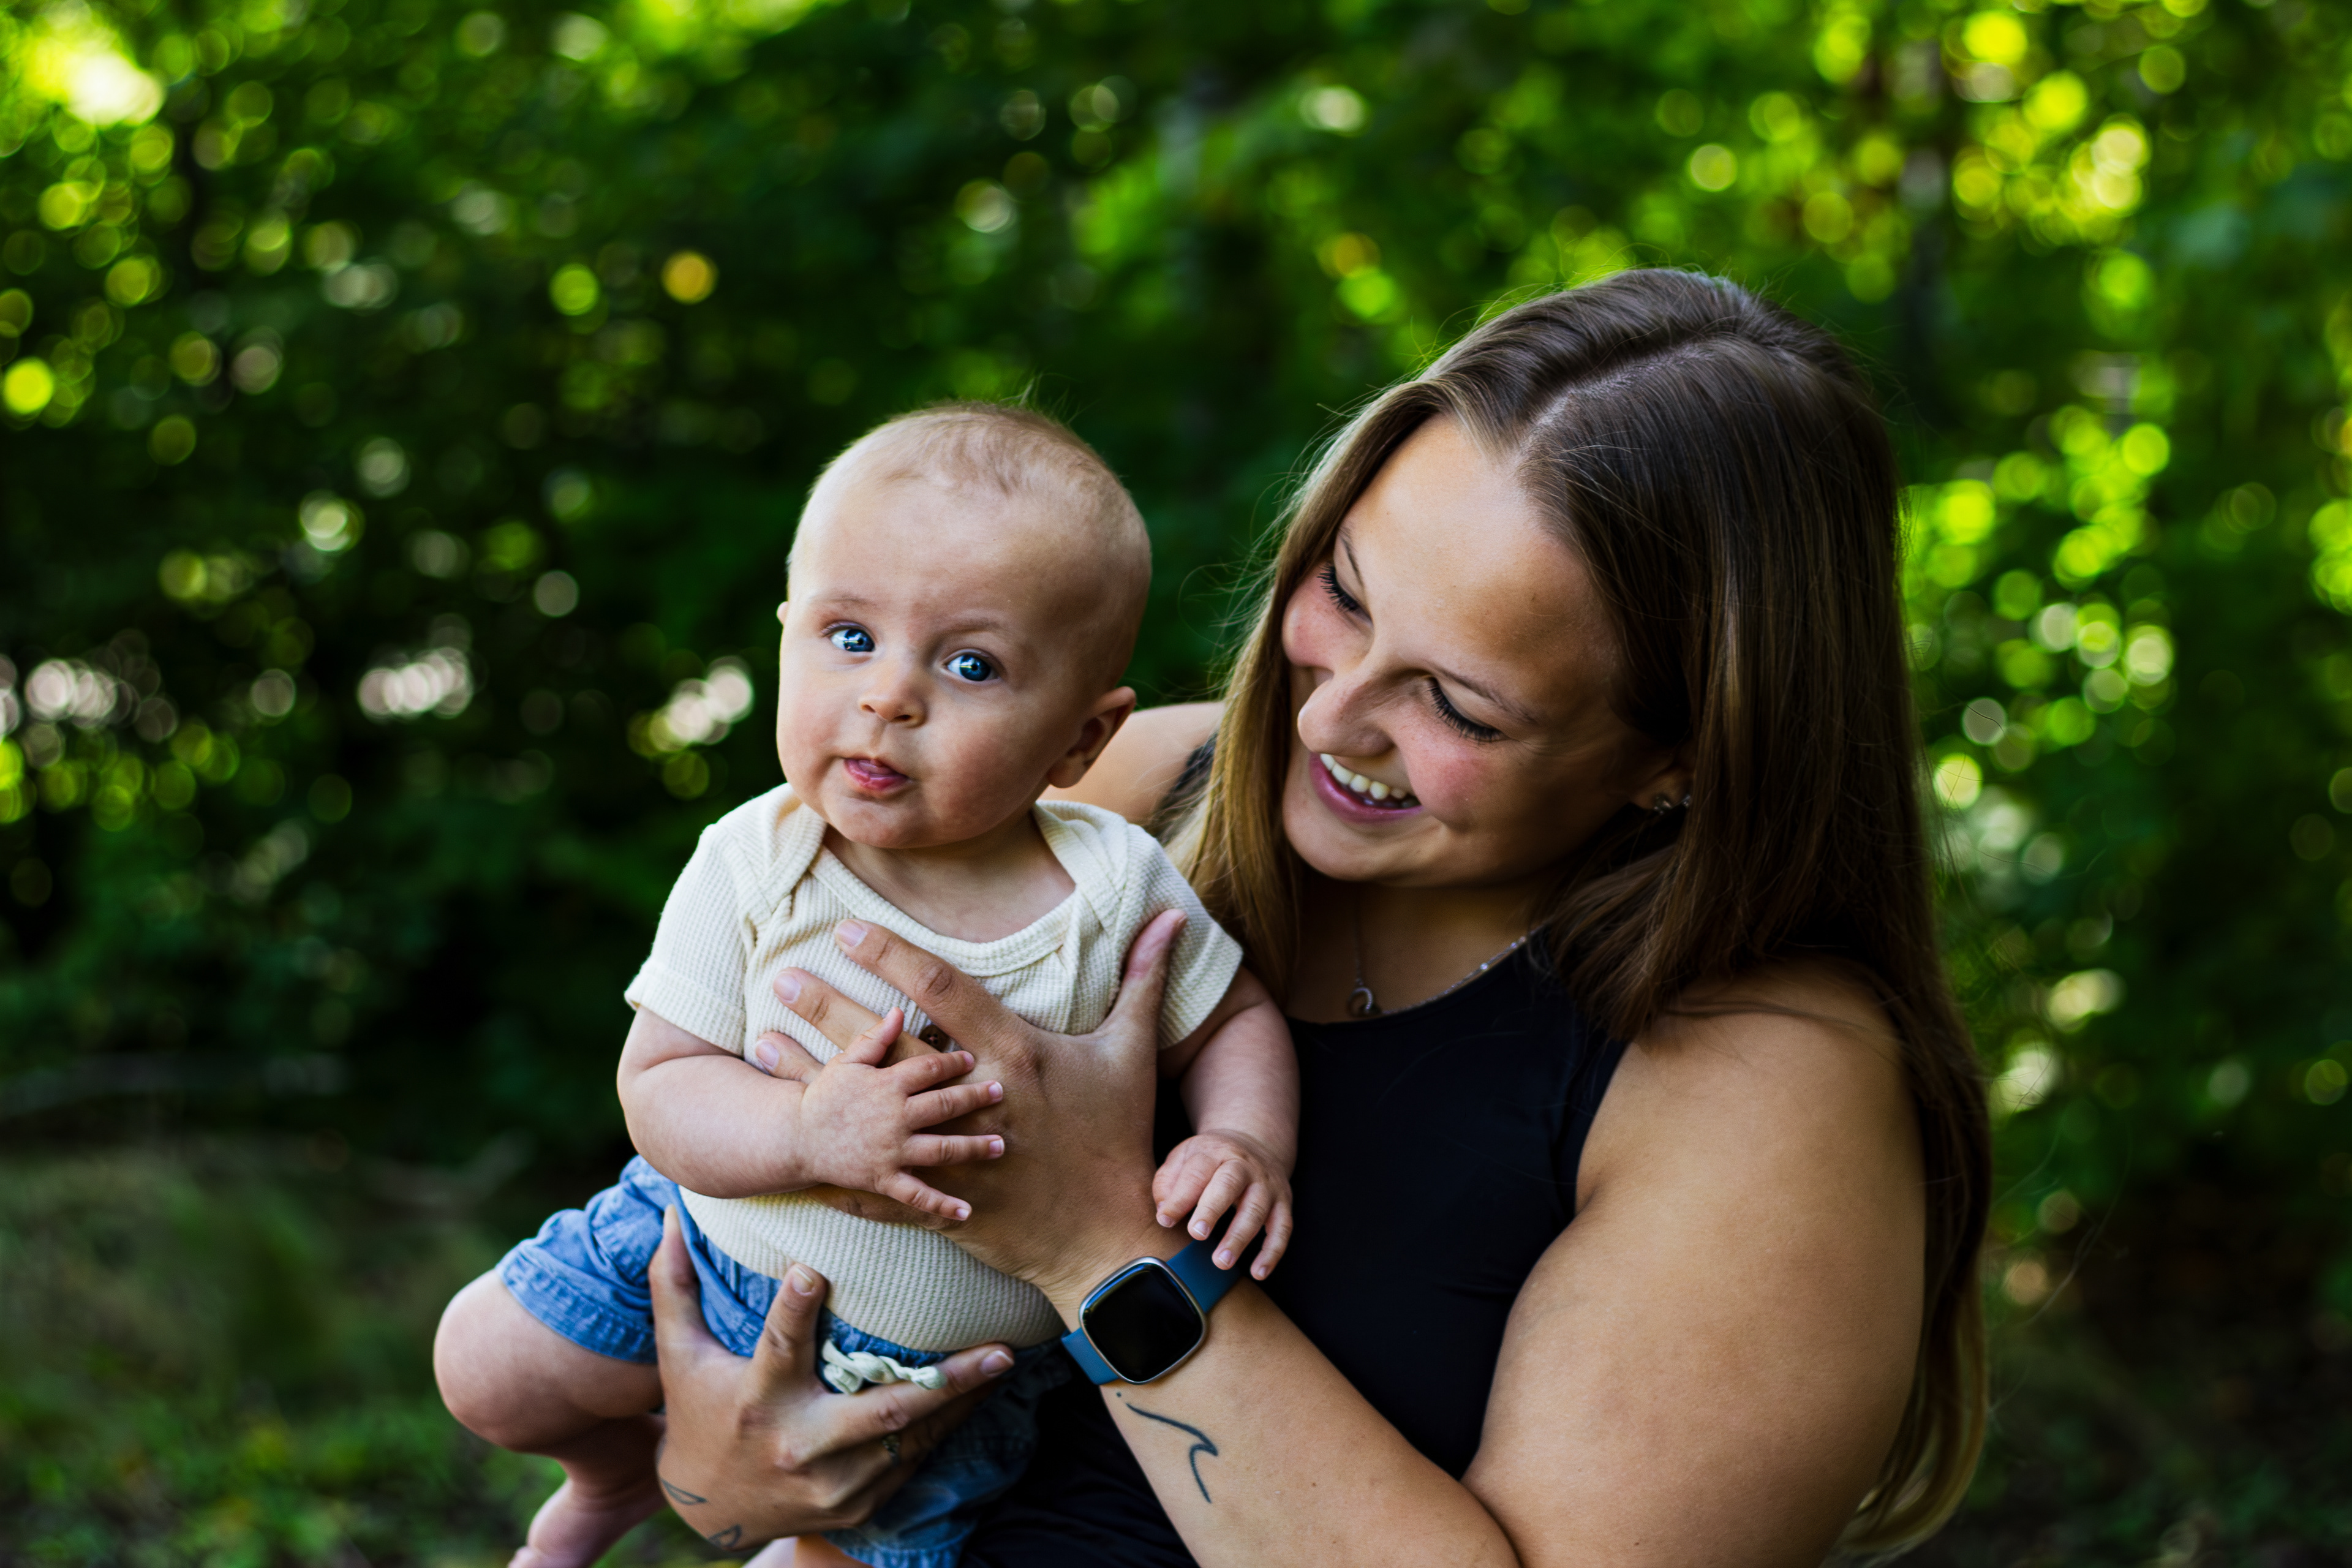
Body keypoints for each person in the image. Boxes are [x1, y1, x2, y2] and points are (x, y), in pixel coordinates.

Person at [641, 270, 1993, 1567]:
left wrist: (1096, 1244)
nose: (1330, 717)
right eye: (1344, 592)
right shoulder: (1127, 805)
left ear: (1679, 757)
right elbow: (729, 1392)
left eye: (1459, 704)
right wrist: (720, 1470)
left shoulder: (1769, 1080)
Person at [432, 405, 1300, 1568]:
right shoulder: (761, 858)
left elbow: (1232, 1016)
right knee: (483, 1365)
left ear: (1080, 741)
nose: (889, 695)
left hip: (953, 1367)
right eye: (849, 636)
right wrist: (806, 1131)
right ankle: (614, 1470)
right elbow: (662, 1082)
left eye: (971, 664)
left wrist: (1244, 1141)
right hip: (707, 1242)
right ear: (786, 636)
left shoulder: (1112, 882)